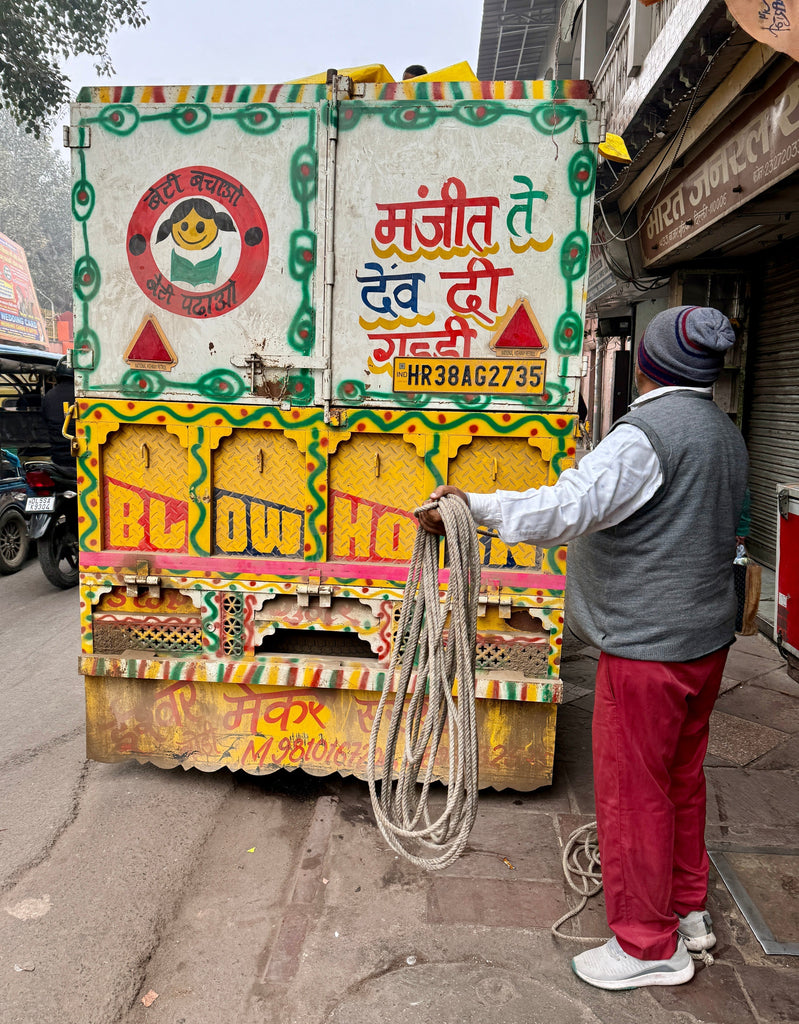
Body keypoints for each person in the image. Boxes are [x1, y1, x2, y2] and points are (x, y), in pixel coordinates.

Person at [418, 306, 748, 991]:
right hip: (702, 643)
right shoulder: (723, 431)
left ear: (645, 366)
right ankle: (686, 910)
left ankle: (648, 946)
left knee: (634, 794)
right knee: (680, 781)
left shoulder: (645, 436)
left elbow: (567, 508)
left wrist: (473, 506)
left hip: (646, 649)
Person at [41, 358, 76, 471]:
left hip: (58, 459)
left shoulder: (49, 396)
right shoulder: (85, 395)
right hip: (83, 456)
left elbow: (45, 422)